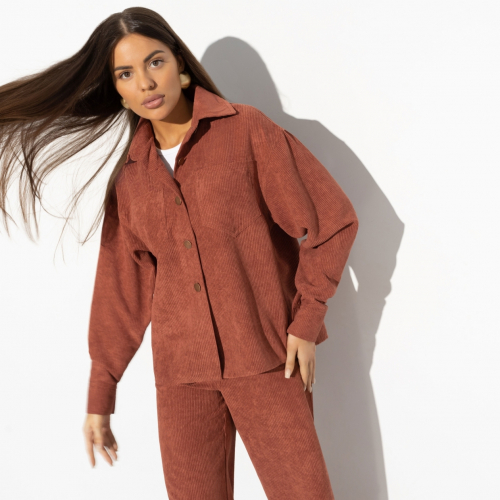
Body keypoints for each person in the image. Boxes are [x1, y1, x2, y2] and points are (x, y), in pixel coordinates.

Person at [0, 7, 358, 499]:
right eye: (126, 73)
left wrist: (306, 321)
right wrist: (100, 394)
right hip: (181, 378)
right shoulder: (131, 179)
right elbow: (121, 291)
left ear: (180, 65)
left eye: (155, 62)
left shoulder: (247, 131)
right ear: (117, 91)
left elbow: (332, 221)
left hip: (268, 359)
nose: (146, 82)